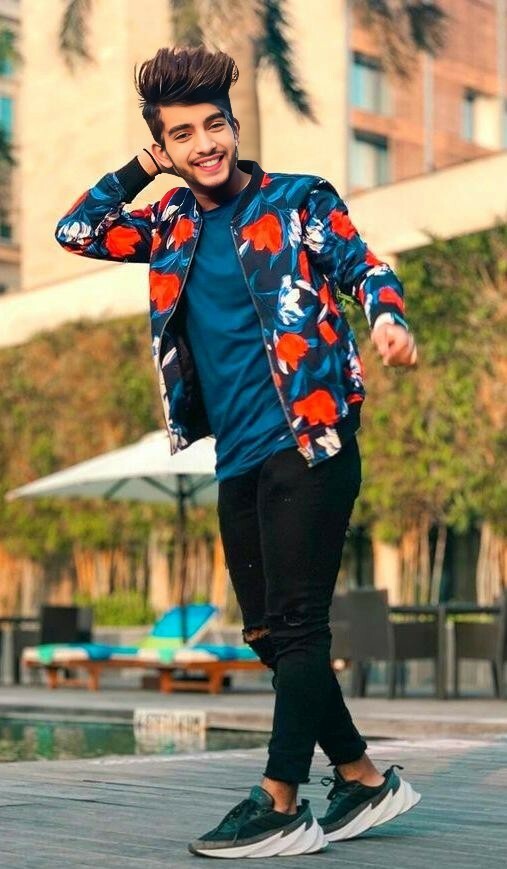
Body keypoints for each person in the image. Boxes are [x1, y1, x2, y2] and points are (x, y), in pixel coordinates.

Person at [56, 44, 420, 859]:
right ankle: (361, 777)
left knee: (297, 625)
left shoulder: (296, 200)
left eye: (212, 125)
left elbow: (363, 267)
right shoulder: (169, 222)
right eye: (181, 135)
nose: (204, 144)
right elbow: (75, 230)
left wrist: (387, 317)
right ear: (165, 146)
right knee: (263, 632)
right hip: (237, 456)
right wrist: (140, 169)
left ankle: (279, 797)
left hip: (311, 439)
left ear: (233, 124)